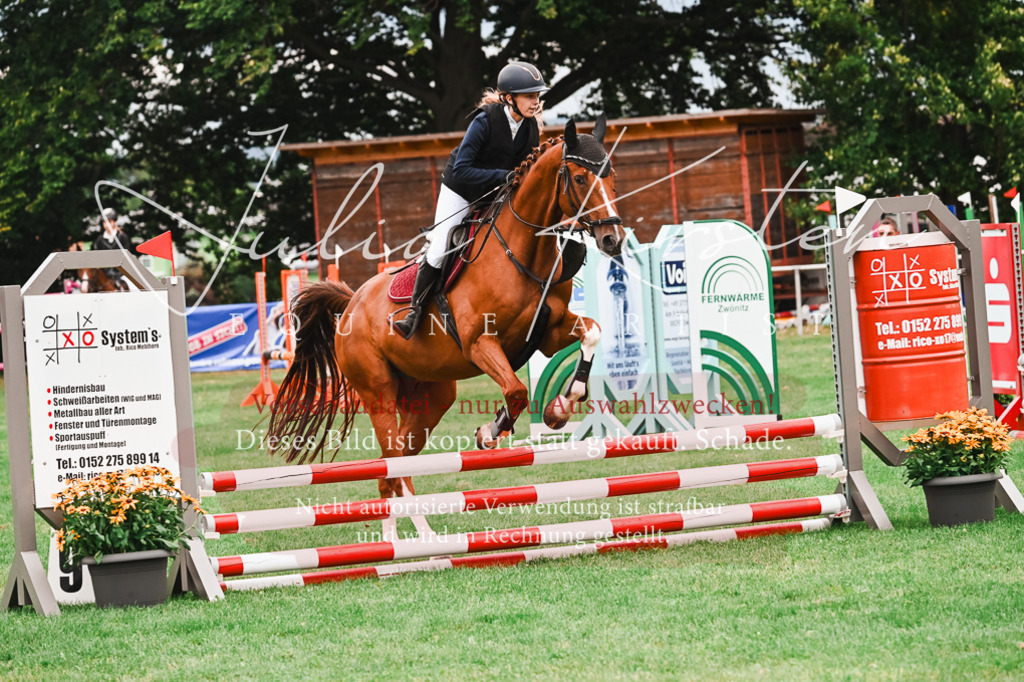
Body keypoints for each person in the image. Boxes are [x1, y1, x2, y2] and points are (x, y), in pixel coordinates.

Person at [391, 61, 548, 339]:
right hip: (461, 188)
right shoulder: (485, 120)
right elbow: (463, 168)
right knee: (441, 244)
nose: (536, 102)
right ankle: (414, 311)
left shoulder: (530, 128)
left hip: (497, 190)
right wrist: (506, 176)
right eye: (530, 96)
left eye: (537, 95)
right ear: (509, 98)